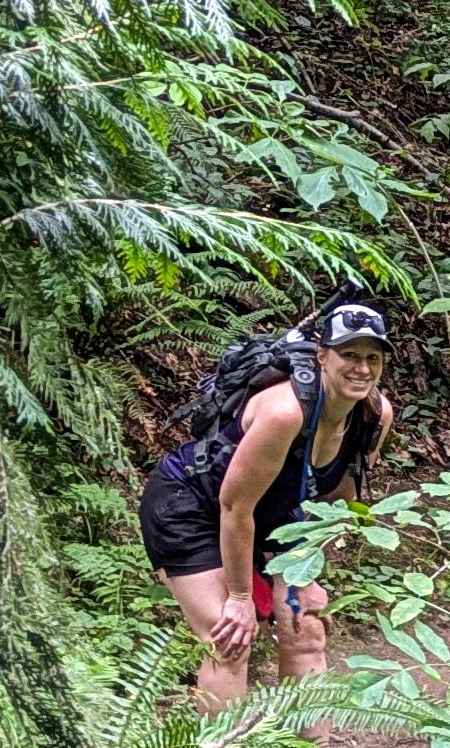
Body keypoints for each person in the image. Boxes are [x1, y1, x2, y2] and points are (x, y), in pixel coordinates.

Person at [144, 297, 396, 709]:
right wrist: (242, 599)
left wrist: (305, 575)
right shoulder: (285, 413)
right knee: (228, 638)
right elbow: (234, 508)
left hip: (275, 513)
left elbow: (336, 502)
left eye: (373, 357)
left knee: (307, 629)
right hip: (191, 506)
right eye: (349, 355)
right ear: (322, 356)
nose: (362, 368)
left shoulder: (373, 415)